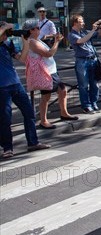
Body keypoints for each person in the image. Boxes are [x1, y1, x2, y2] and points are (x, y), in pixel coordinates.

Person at [0, 21, 51, 159]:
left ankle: (33, 142)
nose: (7, 35)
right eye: (5, 33)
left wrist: (26, 42)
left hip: (15, 84)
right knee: (5, 119)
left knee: (29, 113)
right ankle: (7, 148)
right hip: (2, 88)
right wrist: (4, 27)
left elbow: (22, 58)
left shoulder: (8, 44)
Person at [25, 19, 79, 128]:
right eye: (38, 28)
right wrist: (57, 42)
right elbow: (49, 54)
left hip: (51, 71)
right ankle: (43, 120)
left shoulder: (36, 40)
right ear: (31, 30)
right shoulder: (32, 42)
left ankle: (64, 113)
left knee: (62, 90)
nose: (40, 30)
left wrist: (55, 38)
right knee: (46, 96)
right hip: (45, 72)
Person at [68, 14, 101, 113]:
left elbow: (100, 33)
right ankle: (86, 105)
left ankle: (94, 103)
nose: (83, 23)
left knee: (94, 84)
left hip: (93, 60)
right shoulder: (72, 35)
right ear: (75, 23)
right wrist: (92, 30)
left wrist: (100, 25)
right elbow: (81, 41)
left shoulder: (85, 32)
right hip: (82, 61)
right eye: (81, 21)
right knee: (83, 85)